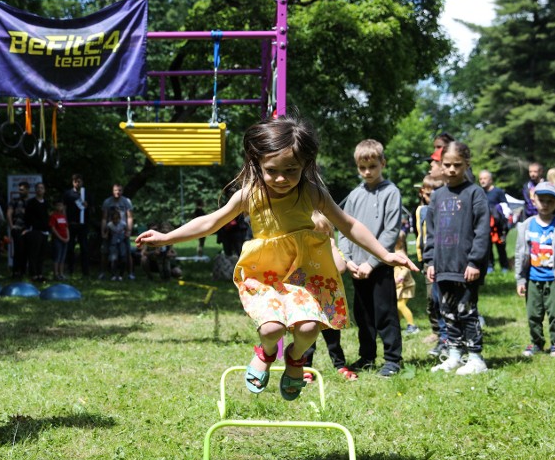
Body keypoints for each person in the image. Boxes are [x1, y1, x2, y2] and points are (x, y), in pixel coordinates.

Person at [136, 115, 417, 401]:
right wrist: (166, 238)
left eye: (291, 170)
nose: (281, 178)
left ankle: (295, 359)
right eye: (272, 170)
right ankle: (267, 352)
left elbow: (349, 224)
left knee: (308, 327)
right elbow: (210, 222)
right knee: (272, 328)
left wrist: (384, 254)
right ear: (256, 164)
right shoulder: (250, 195)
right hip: (266, 273)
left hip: (304, 272)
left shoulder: (312, 192)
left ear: (305, 165)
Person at [339, 139, 404, 377]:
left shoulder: (391, 192)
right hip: (357, 267)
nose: (367, 172)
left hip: (379, 267)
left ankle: (393, 360)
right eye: (362, 167)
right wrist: (348, 259)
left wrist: (372, 262)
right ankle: (367, 356)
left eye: (372, 167)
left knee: (385, 313)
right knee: (363, 315)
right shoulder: (355, 195)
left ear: (382, 164)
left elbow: (390, 232)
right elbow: (343, 228)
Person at [425, 141, 490, 375]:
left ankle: (475, 357)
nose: (452, 169)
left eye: (457, 165)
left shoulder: (475, 193)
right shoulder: (437, 195)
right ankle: (454, 354)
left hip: (466, 268)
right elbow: (430, 232)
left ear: (467, 165)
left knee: (468, 311)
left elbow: (482, 231)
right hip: (443, 267)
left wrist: (475, 262)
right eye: (447, 165)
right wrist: (430, 261)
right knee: (447, 312)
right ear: (441, 165)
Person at [513, 182, 555, 357]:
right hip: (532, 278)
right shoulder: (526, 225)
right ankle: (536, 342)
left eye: (550, 201)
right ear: (534, 201)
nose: (545, 204)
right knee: (533, 314)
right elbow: (519, 253)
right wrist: (520, 279)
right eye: (541, 200)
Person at [302, 211, 358, 381]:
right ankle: (305, 368)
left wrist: (332, 246)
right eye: (316, 233)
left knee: (333, 338)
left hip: (330, 302)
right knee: (307, 338)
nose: (321, 237)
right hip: (309, 301)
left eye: (325, 233)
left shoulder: (333, 251)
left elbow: (341, 268)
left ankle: (339, 364)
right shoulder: (305, 252)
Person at [415, 173, 448, 354]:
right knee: (432, 298)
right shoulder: (421, 210)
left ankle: (447, 335)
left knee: (443, 299)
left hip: (443, 259)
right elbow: (419, 234)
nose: (432, 198)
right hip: (428, 260)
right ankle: (439, 332)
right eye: (429, 195)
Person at [99, 183, 135, 280]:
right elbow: (104, 218)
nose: (117, 192)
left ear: (122, 191)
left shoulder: (126, 201)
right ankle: (103, 272)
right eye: (115, 190)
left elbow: (130, 217)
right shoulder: (107, 202)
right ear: (112, 191)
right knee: (105, 252)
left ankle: (130, 273)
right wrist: (103, 231)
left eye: (119, 190)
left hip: (123, 230)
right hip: (110, 229)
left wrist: (129, 230)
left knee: (127, 252)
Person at [478, 170, 510, 273]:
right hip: (485, 224)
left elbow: (505, 207)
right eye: (480, 179)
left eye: (485, 178)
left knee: (501, 246)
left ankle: (504, 267)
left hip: (498, 226)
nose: (482, 181)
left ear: (490, 180)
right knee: (487, 247)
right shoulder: (479, 192)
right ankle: (489, 266)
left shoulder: (498, 192)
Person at [63, 174, 92, 277]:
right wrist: (65, 221)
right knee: (70, 248)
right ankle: (69, 270)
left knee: (84, 248)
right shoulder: (68, 194)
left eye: (79, 181)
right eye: (75, 181)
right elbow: (64, 208)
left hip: (83, 225)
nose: (77, 183)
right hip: (71, 224)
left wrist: (87, 206)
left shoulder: (86, 193)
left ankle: (85, 272)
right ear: (73, 182)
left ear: (82, 182)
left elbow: (92, 208)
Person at [24, 182, 50, 283]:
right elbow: (27, 217)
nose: (40, 189)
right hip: (35, 231)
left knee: (42, 254)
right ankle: (33, 274)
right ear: (35, 190)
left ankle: (40, 274)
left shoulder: (46, 203)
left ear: (44, 190)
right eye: (38, 188)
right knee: (33, 253)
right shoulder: (31, 202)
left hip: (45, 231)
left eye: (42, 188)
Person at [393, 231, 418, 335]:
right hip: (399, 286)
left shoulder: (400, 253)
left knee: (400, 305)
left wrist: (401, 276)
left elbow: (406, 269)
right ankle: (396, 326)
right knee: (397, 306)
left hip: (405, 285)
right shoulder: (395, 251)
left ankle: (412, 326)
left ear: (399, 242)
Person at [7, 181, 30, 279]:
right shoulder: (14, 201)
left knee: (25, 250)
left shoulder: (30, 202)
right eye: (19, 189)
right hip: (17, 228)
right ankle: (16, 272)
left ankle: (23, 271)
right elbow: (9, 213)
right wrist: (12, 226)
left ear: (27, 190)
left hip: (27, 229)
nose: (20, 191)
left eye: (22, 189)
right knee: (18, 249)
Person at [48, 201, 70, 281]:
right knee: (57, 257)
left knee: (62, 257)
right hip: (58, 239)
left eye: (61, 205)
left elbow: (66, 227)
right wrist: (61, 238)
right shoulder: (53, 216)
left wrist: (68, 237)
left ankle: (61, 273)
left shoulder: (63, 216)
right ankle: (56, 274)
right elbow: (53, 228)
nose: (60, 207)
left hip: (65, 239)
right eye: (58, 205)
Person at [106, 210, 129, 281]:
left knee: (123, 258)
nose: (115, 220)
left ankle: (121, 275)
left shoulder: (123, 224)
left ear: (119, 218)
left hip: (121, 241)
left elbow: (127, 231)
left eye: (117, 219)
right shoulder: (109, 225)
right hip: (113, 242)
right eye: (114, 219)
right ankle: (113, 274)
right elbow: (107, 233)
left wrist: (126, 234)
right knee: (113, 259)